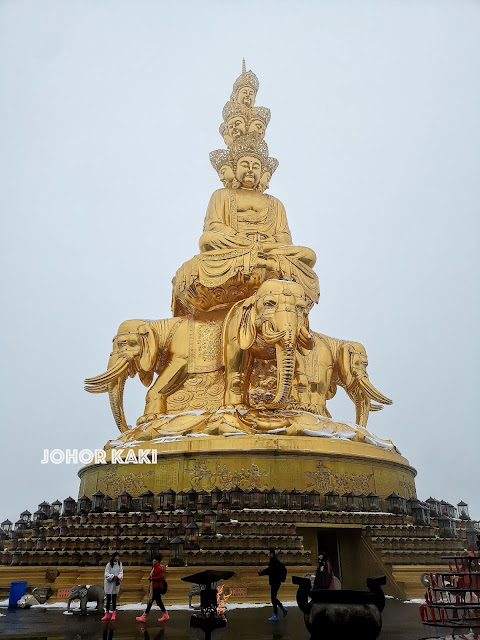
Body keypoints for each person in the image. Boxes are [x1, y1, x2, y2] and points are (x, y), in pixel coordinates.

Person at [172, 136, 319, 315]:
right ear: (234, 169)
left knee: (309, 255)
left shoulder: (275, 203)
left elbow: (284, 237)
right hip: (237, 244)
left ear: (263, 173)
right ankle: (263, 261)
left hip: (267, 247)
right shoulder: (222, 195)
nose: (250, 170)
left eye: (255, 166)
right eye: (245, 165)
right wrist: (243, 240)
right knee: (208, 240)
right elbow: (214, 226)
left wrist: (265, 244)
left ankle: (261, 258)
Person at [136, 555, 169, 623]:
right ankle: (165, 614)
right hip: (154, 587)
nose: (153, 561)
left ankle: (144, 616)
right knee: (158, 601)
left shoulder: (158, 568)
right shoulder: (155, 567)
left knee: (151, 602)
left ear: (157, 561)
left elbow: (160, 577)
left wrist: (152, 579)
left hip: (156, 587)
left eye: (155, 560)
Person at [258, 548, 288, 621]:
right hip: (275, 581)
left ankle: (277, 613)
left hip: (275, 581)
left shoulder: (274, 561)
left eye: (268, 553)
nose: (267, 554)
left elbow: (270, 570)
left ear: (272, 553)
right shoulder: (274, 561)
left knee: (273, 597)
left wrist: (262, 573)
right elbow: (270, 570)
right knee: (273, 597)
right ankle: (281, 610)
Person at [102, 551, 123, 621]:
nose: (117, 558)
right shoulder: (108, 565)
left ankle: (114, 613)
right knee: (108, 599)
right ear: (113, 557)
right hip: (109, 583)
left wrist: (118, 577)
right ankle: (107, 613)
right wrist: (113, 576)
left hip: (115, 583)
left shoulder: (120, 564)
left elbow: (121, 572)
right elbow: (106, 574)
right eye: (116, 556)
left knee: (114, 599)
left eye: (118, 556)